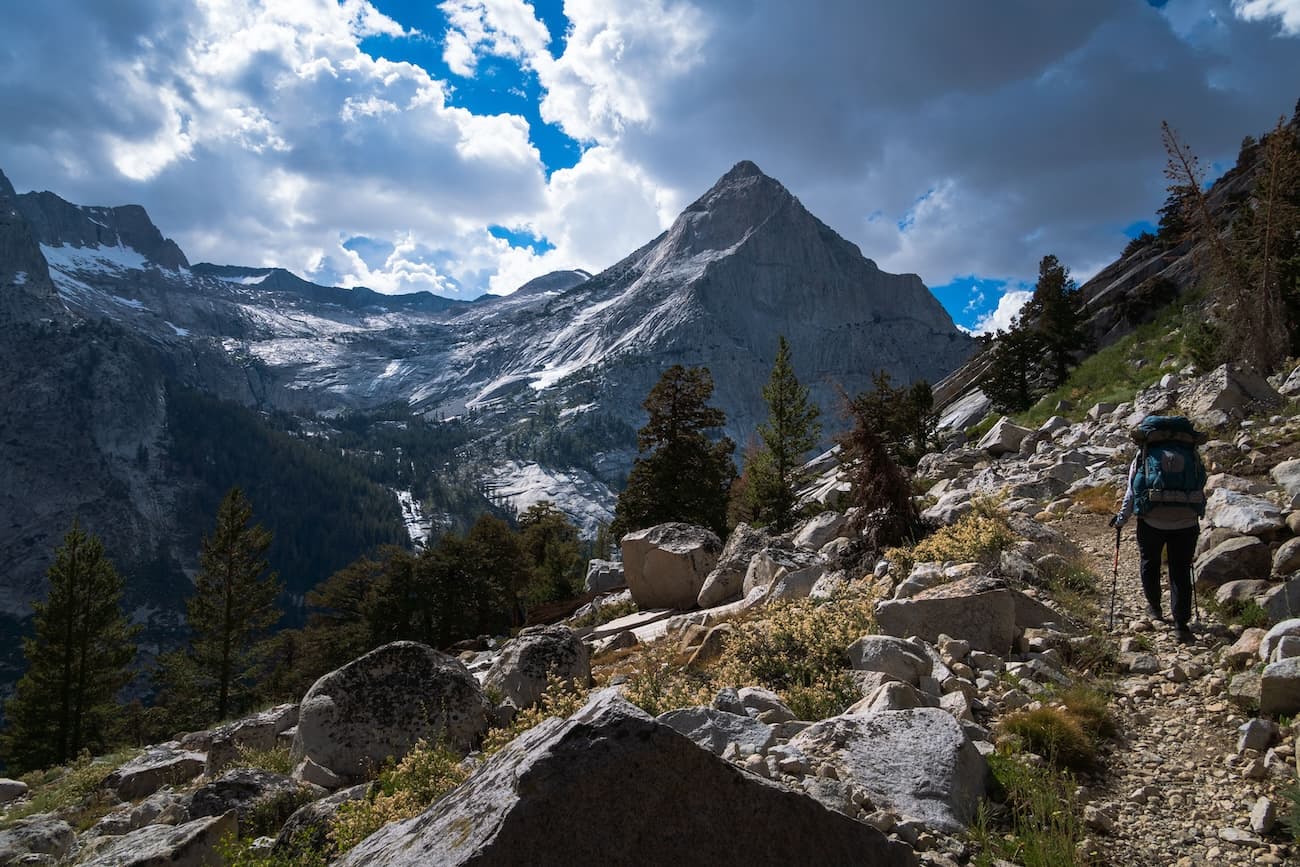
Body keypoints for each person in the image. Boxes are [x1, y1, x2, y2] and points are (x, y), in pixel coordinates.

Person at [1111, 416, 1206, 644]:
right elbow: (1201, 483)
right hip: (1187, 521)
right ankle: (1181, 625)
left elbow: (1132, 492)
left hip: (1152, 520)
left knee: (1149, 563)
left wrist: (1121, 519)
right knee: (1180, 571)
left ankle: (1154, 608)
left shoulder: (1144, 455)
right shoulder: (1190, 452)